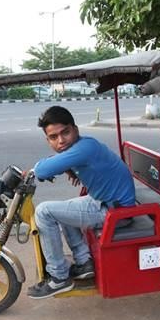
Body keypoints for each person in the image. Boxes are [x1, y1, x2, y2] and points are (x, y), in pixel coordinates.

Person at [28, 106, 136, 299]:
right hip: (108, 204)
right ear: (48, 140)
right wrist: (65, 166)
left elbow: (44, 170)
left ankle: (59, 277)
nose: (61, 141)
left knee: (44, 212)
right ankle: (84, 262)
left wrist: (35, 170)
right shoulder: (80, 149)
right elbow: (59, 161)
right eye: (54, 137)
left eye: (65, 133)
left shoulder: (86, 147)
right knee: (64, 207)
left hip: (116, 212)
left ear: (75, 129)